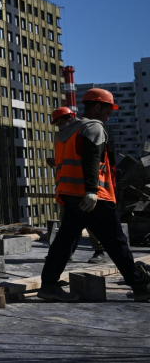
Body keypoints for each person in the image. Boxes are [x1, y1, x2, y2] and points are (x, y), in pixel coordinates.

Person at [38, 88, 149, 302]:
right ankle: (139, 286)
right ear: (97, 106)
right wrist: (91, 190)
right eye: (109, 109)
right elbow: (92, 160)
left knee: (65, 241)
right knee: (116, 242)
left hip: (70, 195)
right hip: (93, 198)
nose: (110, 114)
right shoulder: (94, 127)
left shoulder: (70, 130)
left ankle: (49, 285)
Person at [47, 107, 106, 264]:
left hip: (83, 188)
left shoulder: (83, 131)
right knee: (68, 227)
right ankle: (64, 253)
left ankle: (100, 251)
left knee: (92, 223)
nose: (59, 126)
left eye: (60, 122)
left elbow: (89, 160)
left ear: (69, 118)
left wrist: (91, 190)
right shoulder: (61, 137)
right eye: (57, 124)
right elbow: (69, 160)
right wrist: (55, 162)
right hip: (67, 190)